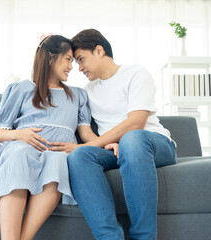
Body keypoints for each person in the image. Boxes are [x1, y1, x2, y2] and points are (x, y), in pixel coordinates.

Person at [48, 29, 177, 240]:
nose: (78, 68)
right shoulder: (87, 91)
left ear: (99, 50)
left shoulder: (136, 73)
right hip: (116, 148)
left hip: (152, 142)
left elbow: (136, 123)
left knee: (132, 140)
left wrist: (117, 142)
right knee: (79, 156)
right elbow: (83, 128)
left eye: (81, 59)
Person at [0, 34, 99, 240]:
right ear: (50, 57)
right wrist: (20, 134)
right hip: (22, 147)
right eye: (67, 59)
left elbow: (86, 133)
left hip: (56, 152)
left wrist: (109, 143)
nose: (71, 66)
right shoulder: (20, 89)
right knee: (20, 155)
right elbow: (0, 133)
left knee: (57, 162)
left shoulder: (77, 95)